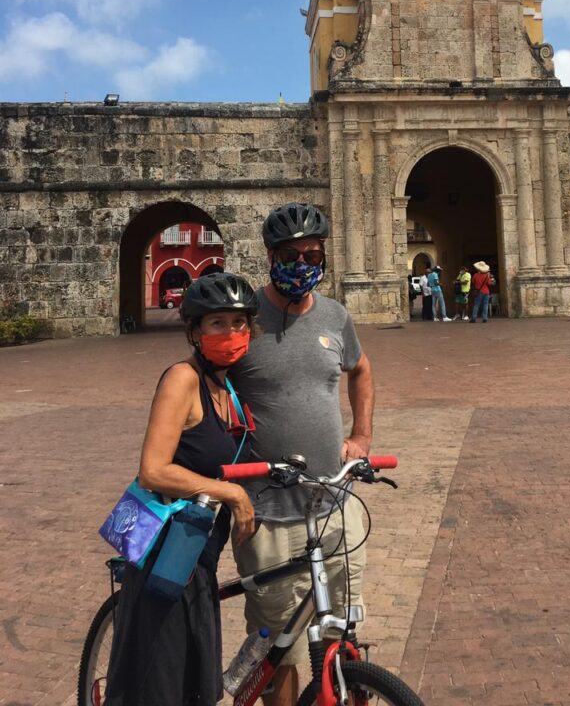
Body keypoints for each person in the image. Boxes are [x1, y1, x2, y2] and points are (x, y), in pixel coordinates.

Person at [229, 203, 375, 706]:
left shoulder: (335, 314)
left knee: (339, 629)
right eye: (290, 254)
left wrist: (363, 437)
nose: (302, 262)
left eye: (312, 253)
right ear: (270, 256)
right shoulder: (243, 317)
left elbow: (360, 369)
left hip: (334, 502)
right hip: (267, 511)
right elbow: (203, 385)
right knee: (279, 648)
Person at [104, 273, 258, 706]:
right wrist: (233, 494)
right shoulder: (182, 379)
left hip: (199, 558)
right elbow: (153, 470)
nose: (232, 333)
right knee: (159, 686)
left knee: (193, 685)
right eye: (217, 323)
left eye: (239, 322)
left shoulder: (225, 387)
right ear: (194, 331)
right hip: (166, 560)